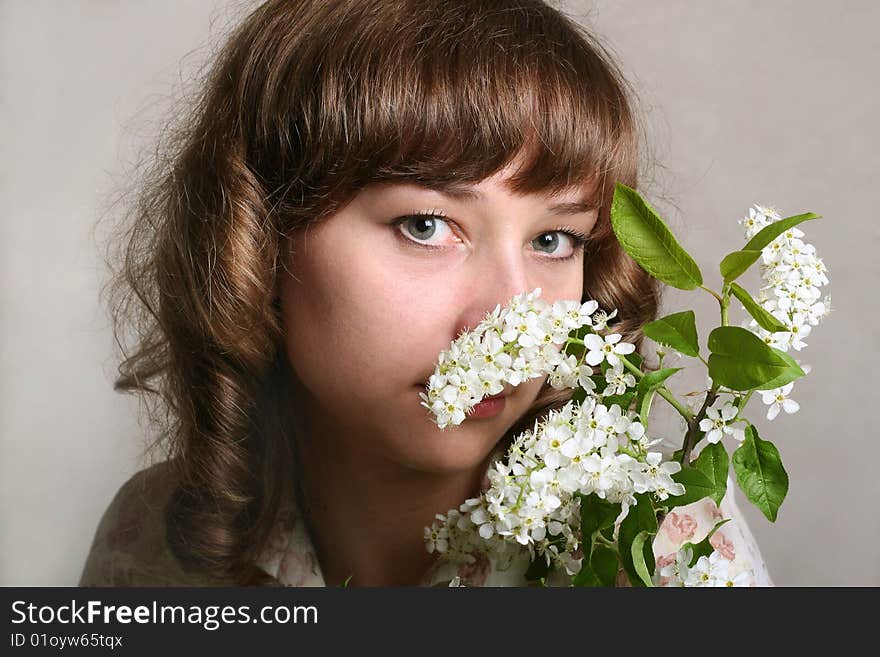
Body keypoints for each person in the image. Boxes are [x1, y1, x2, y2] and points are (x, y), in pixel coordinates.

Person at [80, 0, 772, 587]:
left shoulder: (666, 548)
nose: (511, 316)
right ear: (259, 239)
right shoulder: (153, 541)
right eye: (426, 225)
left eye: (554, 240)